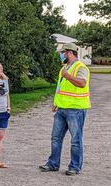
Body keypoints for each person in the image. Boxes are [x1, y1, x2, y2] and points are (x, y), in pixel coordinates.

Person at [39, 43, 91, 176]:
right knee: (55, 138)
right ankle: (53, 164)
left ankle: (75, 167)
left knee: (75, 140)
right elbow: (60, 88)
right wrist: (56, 102)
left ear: (70, 53)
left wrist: (67, 75)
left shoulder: (81, 67)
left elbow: (82, 83)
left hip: (76, 109)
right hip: (61, 109)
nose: (61, 55)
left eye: (63, 52)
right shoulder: (64, 68)